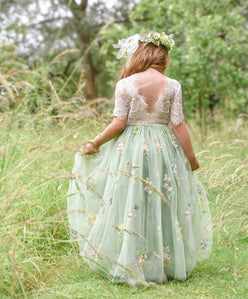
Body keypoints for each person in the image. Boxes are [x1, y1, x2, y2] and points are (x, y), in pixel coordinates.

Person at [67, 32, 212, 286]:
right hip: (163, 148)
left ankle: (132, 262)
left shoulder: (125, 84)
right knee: (163, 202)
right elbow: (178, 125)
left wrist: (96, 142)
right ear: (162, 56)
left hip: (131, 150)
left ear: (140, 55)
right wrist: (191, 158)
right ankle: (164, 261)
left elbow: (119, 124)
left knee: (130, 201)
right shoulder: (172, 85)